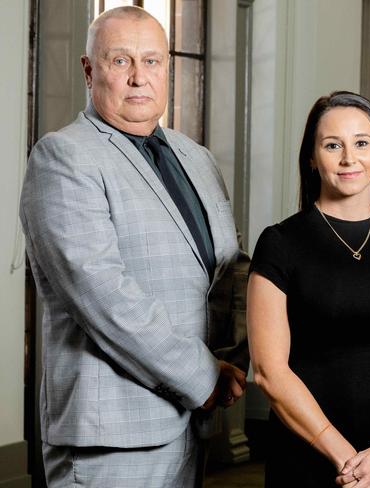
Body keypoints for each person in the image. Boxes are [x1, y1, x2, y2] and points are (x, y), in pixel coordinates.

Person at [20, 6, 247, 487]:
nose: (139, 77)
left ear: (168, 68)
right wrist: (205, 378)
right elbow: (104, 296)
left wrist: (250, 353)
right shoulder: (65, 156)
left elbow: (229, 272)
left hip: (191, 426)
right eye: (120, 61)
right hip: (113, 435)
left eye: (152, 61)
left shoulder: (197, 158)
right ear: (89, 69)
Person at [247, 91, 370, 488]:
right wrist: (348, 460)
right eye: (332, 145)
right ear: (311, 157)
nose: (348, 158)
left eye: (361, 143)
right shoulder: (281, 243)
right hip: (309, 455)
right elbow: (270, 371)